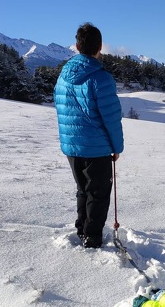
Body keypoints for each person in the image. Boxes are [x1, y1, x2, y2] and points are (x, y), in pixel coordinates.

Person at [54, 22, 124, 248]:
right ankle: (92, 237)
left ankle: (82, 228)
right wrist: (117, 147)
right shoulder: (101, 78)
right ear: (100, 46)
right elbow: (111, 117)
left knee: (83, 189)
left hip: (72, 146)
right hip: (97, 147)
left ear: (76, 45)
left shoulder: (63, 76)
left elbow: (60, 106)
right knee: (98, 192)